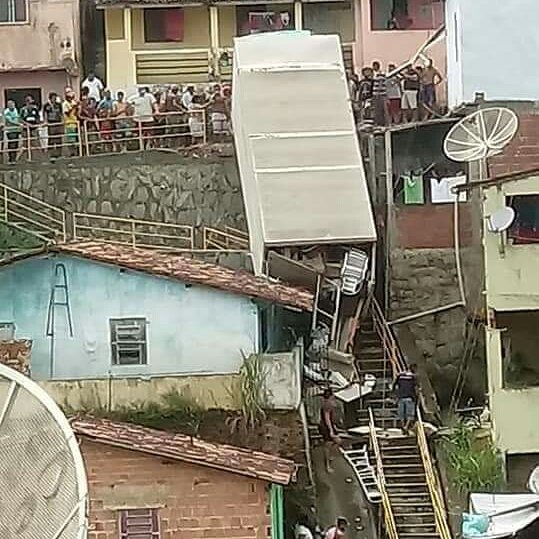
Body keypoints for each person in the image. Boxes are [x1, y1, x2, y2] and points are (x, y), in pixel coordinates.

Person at [393, 363, 418, 435]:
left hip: (401, 397)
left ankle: (403, 426)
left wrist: (396, 394)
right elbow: (416, 388)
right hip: (409, 398)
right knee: (410, 415)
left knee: (401, 414)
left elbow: (394, 385)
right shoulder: (413, 377)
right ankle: (406, 427)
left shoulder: (400, 375)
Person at [319, 388, 340, 473]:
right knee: (327, 445)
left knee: (337, 441)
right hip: (325, 427)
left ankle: (330, 456)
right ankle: (327, 465)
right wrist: (331, 430)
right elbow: (327, 419)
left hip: (329, 425)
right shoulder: (327, 404)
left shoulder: (329, 403)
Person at [43, 92, 64, 159]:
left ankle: (59, 154)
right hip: (51, 123)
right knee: (51, 139)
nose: (54, 99)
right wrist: (45, 121)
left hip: (58, 123)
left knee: (59, 139)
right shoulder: (46, 105)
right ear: (50, 98)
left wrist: (62, 121)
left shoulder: (59, 105)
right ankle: (51, 154)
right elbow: (45, 114)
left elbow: (61, 114)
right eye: (53, 98)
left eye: (55, 98)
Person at [62, 87, 79, 156]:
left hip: (75, 122)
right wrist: (73, 107)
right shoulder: (65, 104)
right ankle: (71, 153)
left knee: (76, 139)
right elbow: (67, 113)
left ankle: (76, 152)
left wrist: (77, 107)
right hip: (69, 123)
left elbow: (76, 112)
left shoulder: (73, 102)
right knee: (70, 140)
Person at [371, 61, 388, 126]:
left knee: (380, 109)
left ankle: (382, 122)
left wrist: (378, 92)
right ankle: (378, 122)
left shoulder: (380, 74)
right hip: (375, 94)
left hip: (380, 94)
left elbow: (380, 83)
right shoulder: (375, 74)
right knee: (376, 109)